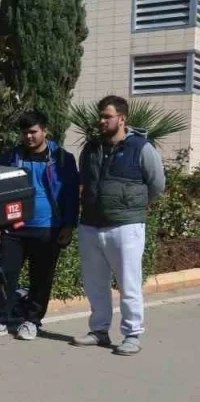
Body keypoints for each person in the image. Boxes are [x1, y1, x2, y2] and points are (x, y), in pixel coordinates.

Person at [71, 95, 166, 356]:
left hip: (126, 226)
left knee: (129, 283)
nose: (101, 121)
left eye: (107, 116)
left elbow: (157, 184)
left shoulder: (141, 147)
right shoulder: (91, 148)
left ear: (122, 119)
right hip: (91, 225)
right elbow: (84, 182)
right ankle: (99, 330)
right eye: (100, 116)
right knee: (95, 283)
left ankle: (132, 334)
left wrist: (133, 206)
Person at [0, 110, 80, 341]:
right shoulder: (11, 157)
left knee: (41, 278)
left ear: (45, 130)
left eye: (33, 132)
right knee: (5, 275)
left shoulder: (62, 158)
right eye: (24, 133)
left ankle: (32, 321)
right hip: (14, 228)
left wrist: (68, 225)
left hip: (48, 228)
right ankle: (1, 318)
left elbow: (71, 194)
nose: (28, 137)